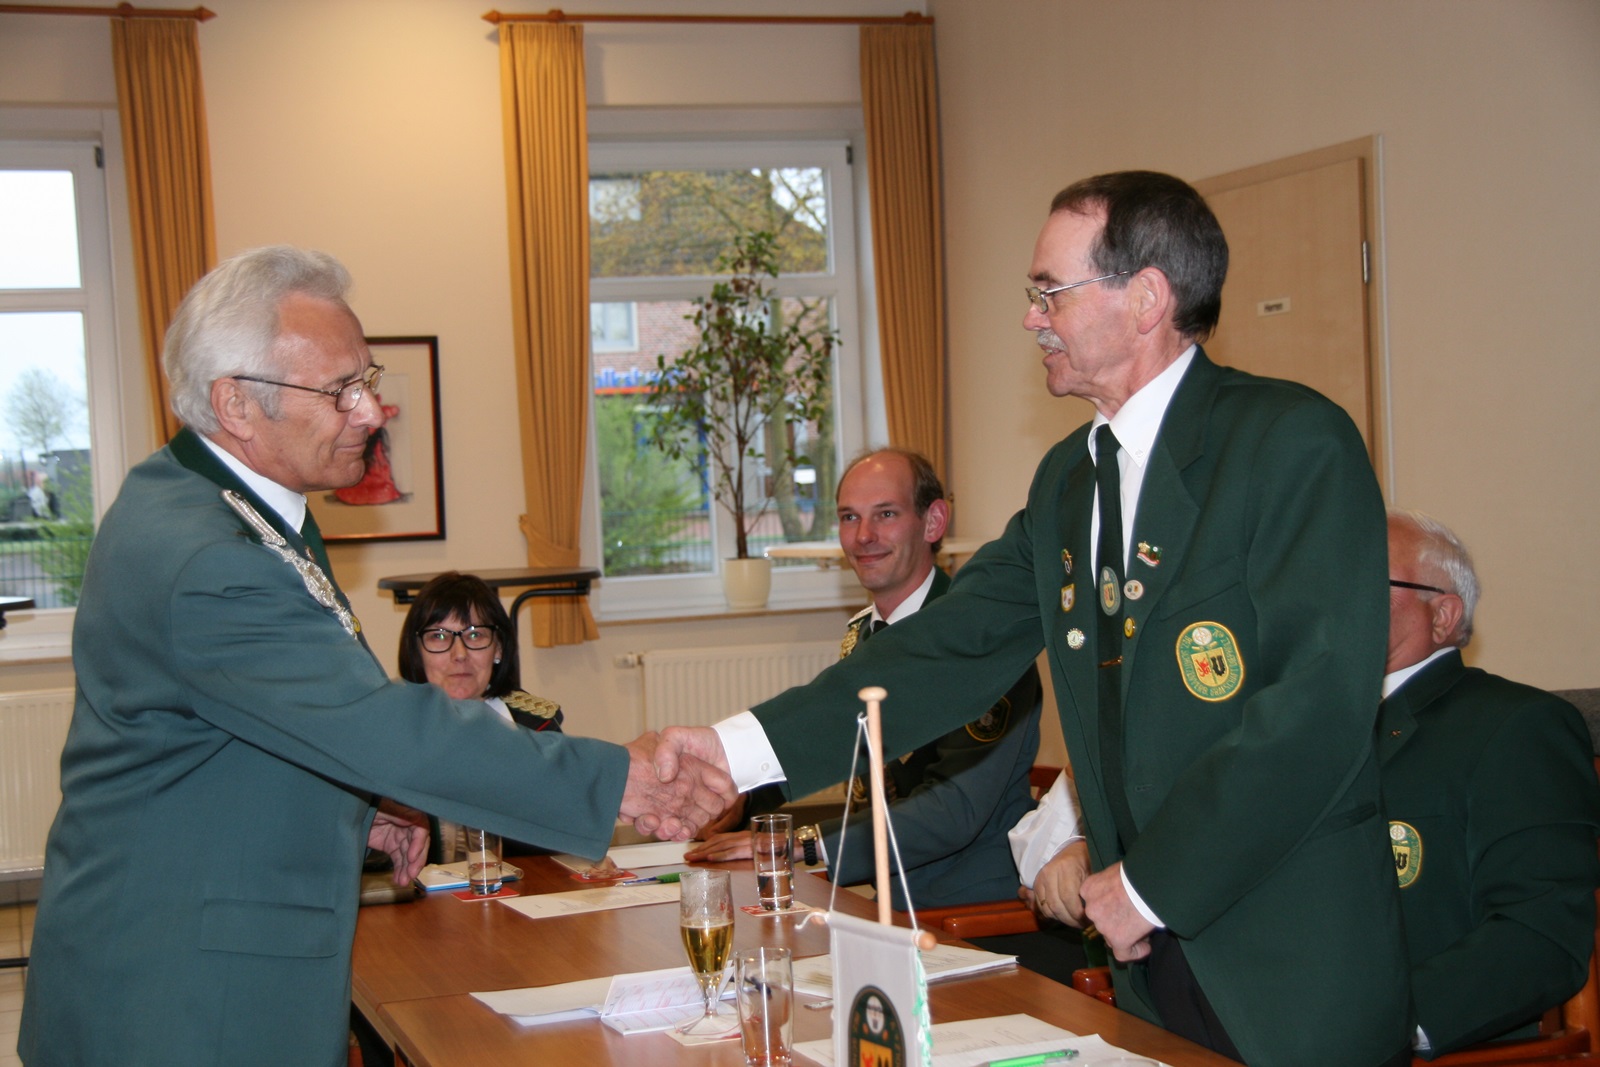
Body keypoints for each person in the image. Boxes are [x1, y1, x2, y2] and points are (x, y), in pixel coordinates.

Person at [651, 171, 1411, 1066]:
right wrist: (730, 751)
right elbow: (942, 648)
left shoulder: (1288, 442)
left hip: (1286, 959)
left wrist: (1153, 884)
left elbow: (1313, 709)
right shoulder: (1068, 482)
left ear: (1146, 299)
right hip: (1146, 957)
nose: (1031, 317)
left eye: (1051, 291)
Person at [17, 246, 731, 1067]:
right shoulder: (207, 555)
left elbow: (266, 720)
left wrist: (364, 803)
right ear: (236, 403)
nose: (371, 409)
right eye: (339, 390)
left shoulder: (219, 503)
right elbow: (376, 723)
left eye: (368, 378)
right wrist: (621, 778)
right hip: (180, 1002)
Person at [686, 448, 1043, 913]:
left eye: (886, 514)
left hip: (972, 912)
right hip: (889, 902)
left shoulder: (982, 638)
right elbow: (834, 738)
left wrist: (804, 844)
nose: (864, 536)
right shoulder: (866, 634)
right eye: (849, 517)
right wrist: (744, 797)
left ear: (933, 522)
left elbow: (954, 810)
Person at [1381, 509, 1600, 1057]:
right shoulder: (1294, 731)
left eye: (1367, 575)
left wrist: (1385, 1024)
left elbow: (1540, 931)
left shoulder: (1516, 726)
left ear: (1442, 614)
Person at [397, 570, 563, 862]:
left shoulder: (537, 729)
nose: (459, 654)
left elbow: (559, 838)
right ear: (417, 651)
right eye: (438, 636)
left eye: (475, 635)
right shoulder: (390, 731)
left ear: (498, 647)